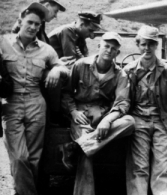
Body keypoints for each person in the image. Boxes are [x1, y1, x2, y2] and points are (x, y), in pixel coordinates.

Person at [0, 2, 69, 195]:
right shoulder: (3, 43)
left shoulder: (46, 49)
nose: (32, 27)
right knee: (19, 157)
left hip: (36, 104)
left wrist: (56, 70)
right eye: (30, 22)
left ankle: (20, 190)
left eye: (37, 25)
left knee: (34, 158)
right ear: (21, 21)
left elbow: (64, 68)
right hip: (11, 104)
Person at [61, 32, 135, 195]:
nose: (109, 50)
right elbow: (66, 93)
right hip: (82, 116)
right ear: (99, 47)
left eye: (113, 48)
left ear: (118, 53)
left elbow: (123, 102)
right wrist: (73, 111)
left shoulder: (120, 74)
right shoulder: (81, 65)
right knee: (87, 157)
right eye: (106, 46)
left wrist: (108, 119)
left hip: (104, 114)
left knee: (130, 122)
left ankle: (76, 146)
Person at [124, 25, 167, 195]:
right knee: (139, 167)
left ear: (156, 46)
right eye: (143, 44)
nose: (147, 48)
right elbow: (123, 101)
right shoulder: (129, 71)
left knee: (162, 168)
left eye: (151, 44)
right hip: (139, 123)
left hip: (163, 123)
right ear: (138, 45)